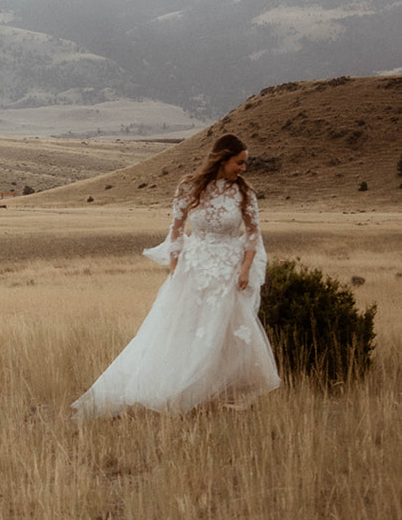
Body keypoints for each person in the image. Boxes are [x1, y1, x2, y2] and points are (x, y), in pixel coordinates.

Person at [72, 133, 281, 417]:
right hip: (194, 268)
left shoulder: (244, 193)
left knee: (225, 332)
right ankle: (176, 388)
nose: (243, 169)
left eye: (245, 163)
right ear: (223, 159)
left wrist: (245, 270)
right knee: (184, 329)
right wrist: (175, 268)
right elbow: (176, 229)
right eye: (239, 163)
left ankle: (220, 392)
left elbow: (254, 235)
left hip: (228, 272)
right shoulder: (189, 187)